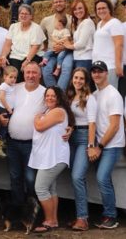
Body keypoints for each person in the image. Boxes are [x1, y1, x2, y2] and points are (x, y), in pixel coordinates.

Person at [0, 62, 45, 225]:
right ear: (23, 74)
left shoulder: (45, 92)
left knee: (30, 179)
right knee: (15, 178)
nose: (31, 76)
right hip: (12, 142)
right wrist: (0, 118)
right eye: (28, 73)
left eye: (34, 73)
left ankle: (33, 214)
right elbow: (1, 101)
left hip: (32, 144)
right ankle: (19, 214)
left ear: (40, 75)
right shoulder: (15, 87)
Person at [29, 86, 75, 233]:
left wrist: (36, 117)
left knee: (41, 188)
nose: (49, 98)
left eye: (53, 96)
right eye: (47, 95)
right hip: (48, 156)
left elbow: (40, 126)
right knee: (51, 189)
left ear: (59, 97)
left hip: (54, 156)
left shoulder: (58, 111)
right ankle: (53, 220)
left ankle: (50, 220)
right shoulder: (49, 111)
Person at [90, 60, 125, 229]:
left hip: (111, 145)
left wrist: (99, 146)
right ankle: (108, 213)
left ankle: (111, 216)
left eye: (100, 71)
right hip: (100, 144)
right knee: (104, 180)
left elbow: (115, 125)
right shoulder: (95, 95)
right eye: (94, 71)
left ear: (106, 73)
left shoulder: (113, 94)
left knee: (102, 178)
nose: (97, 74)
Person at [66, 68, 97, 231]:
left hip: (85, 137)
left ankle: (82, 219)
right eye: (75, 78)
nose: (78, 81)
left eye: (81, 79)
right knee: (77, 178)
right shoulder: (70, 96)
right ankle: (80, 215)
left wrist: (91, 146)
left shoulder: (89, 98)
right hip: (71, 137)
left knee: (77, 176)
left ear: (86, 82)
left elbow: (92, 123)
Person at [0, 4, 46, 82]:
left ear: (31, 16)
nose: (23, 16)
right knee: (9, 71)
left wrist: (27, 61)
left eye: (26, 14)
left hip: (31, 56)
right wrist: (3, 56)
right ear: (18, 15)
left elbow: (35, 47)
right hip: (15, 56)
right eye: (21, 13)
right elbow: (7, 44)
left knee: (24, 72)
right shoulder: (13, 27)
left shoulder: (36, 28)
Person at [41, 0, 73, 91]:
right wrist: (44, 48)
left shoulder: (72, 19)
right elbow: (38, 36)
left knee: (66, 68)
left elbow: (77, 38)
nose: (58, 3)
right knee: (46, 71)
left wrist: (65, 47)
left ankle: (58, 96)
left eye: (60, 1)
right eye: (56, 2)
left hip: (68, 52)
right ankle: (56, 94)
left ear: (65, 3)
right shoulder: (46, 20)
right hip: (52, 52)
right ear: (53, 4)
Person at [92, 0, 123, 89]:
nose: (101, 11)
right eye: (98, 9)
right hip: (98, 67)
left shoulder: (115, 23)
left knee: (110, 95)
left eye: (103, 8)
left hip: (110, 66)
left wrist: (118, 65)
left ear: (109, 9)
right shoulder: (99, 24)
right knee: (101, 95)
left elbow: (119, 44)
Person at [63, 0, 96, 72]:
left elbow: (81, 44)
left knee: (83, 83)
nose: (77, 11)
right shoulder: (79, 23)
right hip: (79, 58)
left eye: (80, 8)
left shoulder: (87, 22)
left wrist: (67, 46)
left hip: (85, 59)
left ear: (85, 9)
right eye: (75, 9)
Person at [0, 66, 18, 158]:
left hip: (9, 109)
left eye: (15, 77)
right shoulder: (4, 86)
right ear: (5, 77)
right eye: (11, 77)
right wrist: (8, 108)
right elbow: (2, 98)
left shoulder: (11, 86)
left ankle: (3, 142)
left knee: (8, 127)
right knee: (4, 127)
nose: (13, 79)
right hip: (4, 109)